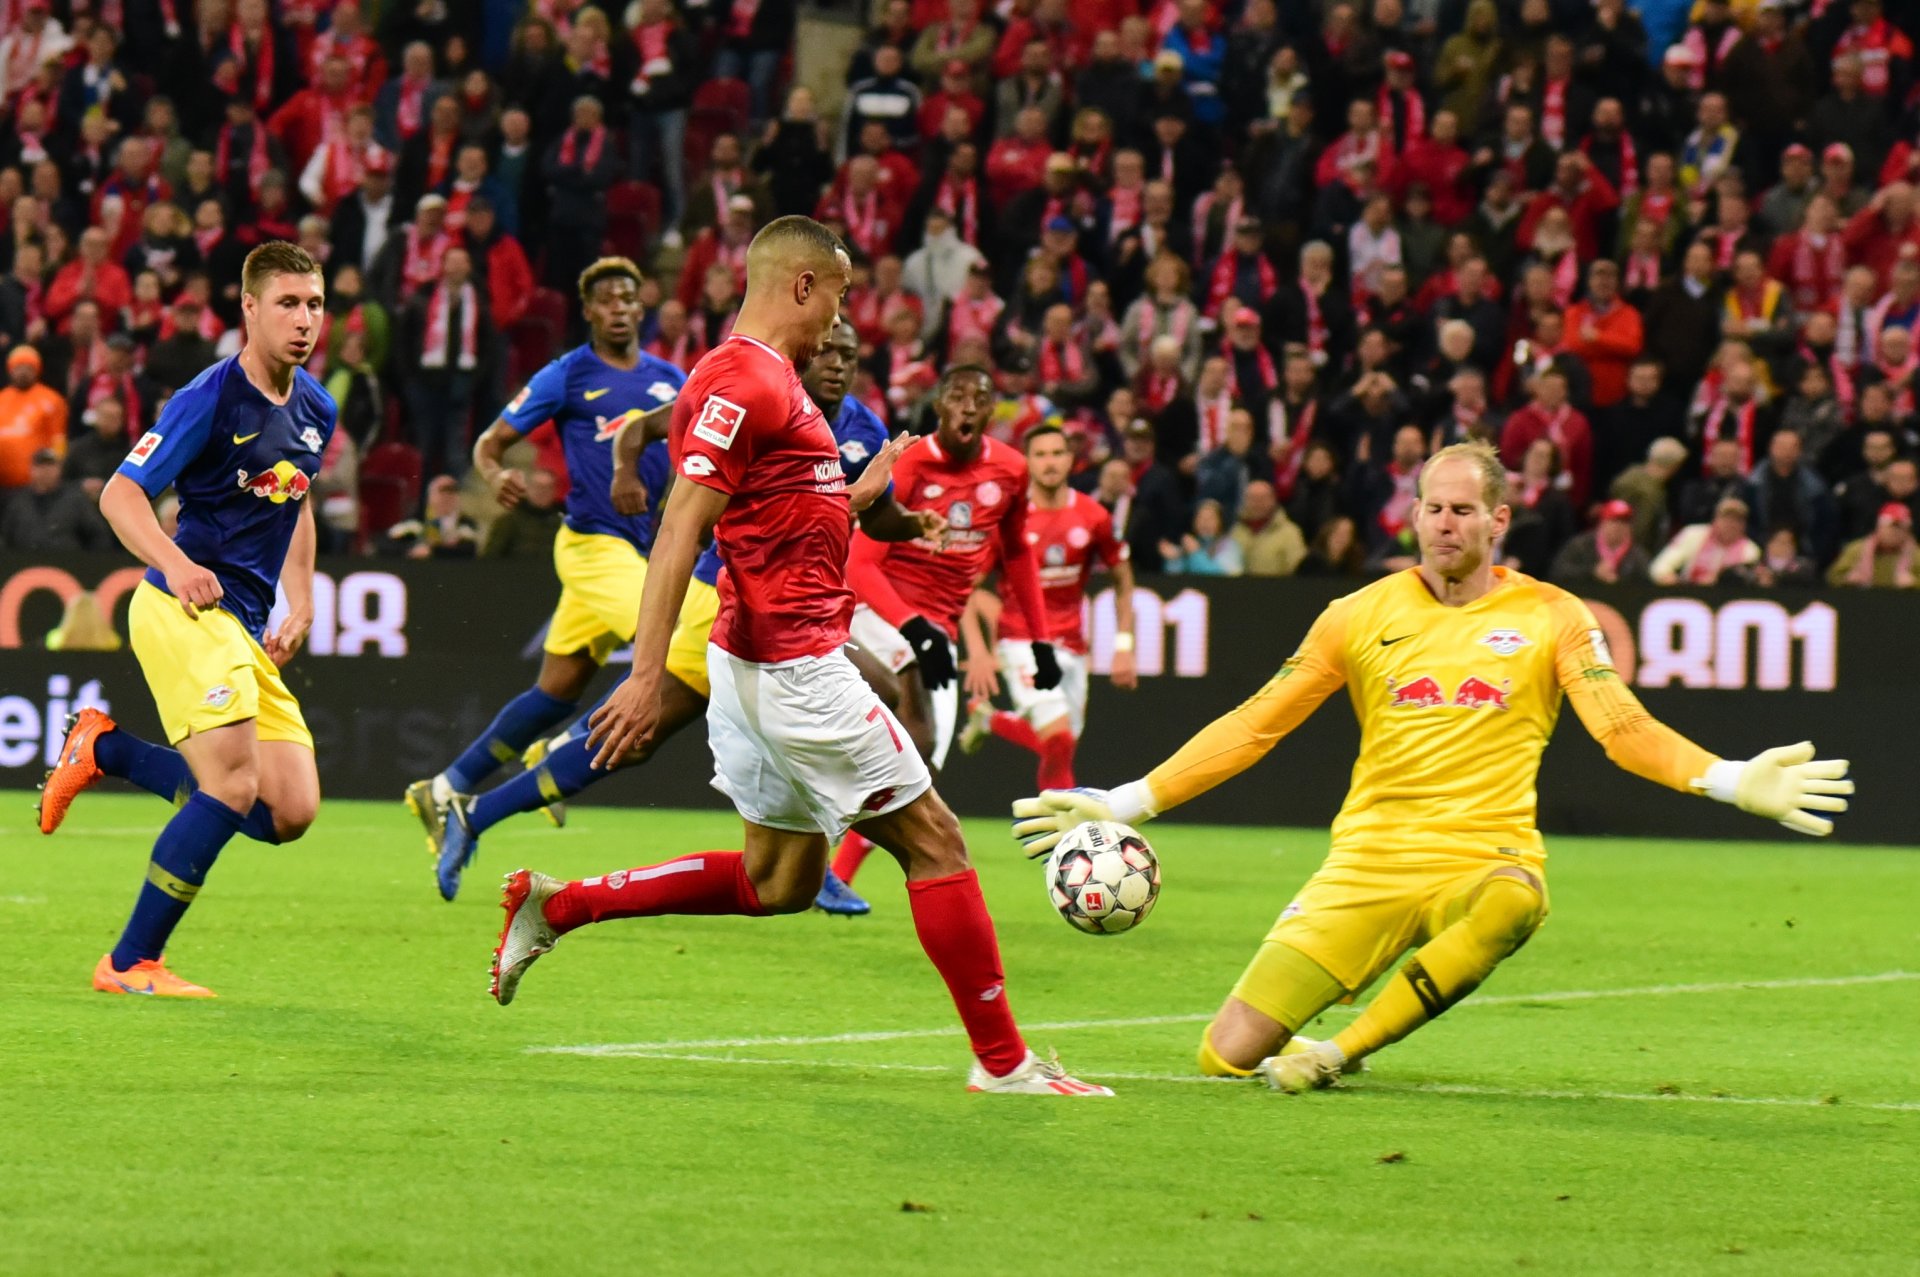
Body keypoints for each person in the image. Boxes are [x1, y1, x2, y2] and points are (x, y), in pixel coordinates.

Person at [1012, 441, 1853, 1092]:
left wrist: (1733, 778)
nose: (1445, 522)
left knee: (1517, 902)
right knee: (1224, 1055)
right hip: (1368, 860)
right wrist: (1125, 800)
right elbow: (1255, 725)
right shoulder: (1357, 613)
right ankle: (1334, 1012)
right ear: (1412, 514)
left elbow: (1621, 727)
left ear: (1498, 521)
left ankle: (1341, 1051)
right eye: (1431, 508)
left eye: (1462, 509)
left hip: (1483, 855)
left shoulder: (1552, 614)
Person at [493, 216, 1111, 1097]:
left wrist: (852, 496)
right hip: (795, 664)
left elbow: (771, 506)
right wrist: (641, 671)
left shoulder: (744, 375)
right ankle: (1005, 1064)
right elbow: (680, 525)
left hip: (755, 665)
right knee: (936, 841)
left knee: (777, 878)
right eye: (842, 296)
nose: (843, 319)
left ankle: (558, 905)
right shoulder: (749, 379)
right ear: (802, 288)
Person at [435, 318, 939, 918]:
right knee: (866, 689)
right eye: (826, 348)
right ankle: (815, 859)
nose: (834, 361)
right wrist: (628, 473)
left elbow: (871, 515)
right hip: (727, 598)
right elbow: (641, 432)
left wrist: (915, 524)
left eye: (848, 354)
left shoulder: (860, 427)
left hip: (801, 613)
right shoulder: (759, 396)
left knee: (639, 736)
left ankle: (479, 812)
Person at [37, 242, 335, 998]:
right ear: (250, 308)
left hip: (239, 623)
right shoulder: (211, 396)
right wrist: (174, 562)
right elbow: (120, 494)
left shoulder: (316, 409)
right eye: (289, 304)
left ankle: (105, 749)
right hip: (181, 606)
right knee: (232, 785)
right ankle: (130, 961)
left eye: (315, 304)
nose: (304, 321)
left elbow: (295, 502)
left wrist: (300, 599)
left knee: (287, 809)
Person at [404, 257, 687, 896]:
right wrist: (495, 472)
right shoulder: (566, 375)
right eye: (606, 299)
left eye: (627, 297)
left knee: (556, 690)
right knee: (670, 649)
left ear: (640, 307)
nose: (618, 307)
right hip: (591, 547)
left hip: (640, 550)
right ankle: (554, 753)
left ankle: (443, 789)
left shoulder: (674, 381)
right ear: (589, 312)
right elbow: (491, 442)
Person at [832, 362, 1061, 891]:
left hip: (937, 628)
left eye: (979, 398)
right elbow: (861, 565)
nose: (967, 406)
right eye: (956, 396)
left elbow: (1019, 558)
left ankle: (832, 871)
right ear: (939, 406)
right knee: (913, 726)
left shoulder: (1009, 470)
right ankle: (850, 872)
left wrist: (1042, 640)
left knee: (921, 770)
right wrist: (914, 630)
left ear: (989, 412)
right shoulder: (911, 464)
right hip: (877, 614)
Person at [959, 424, 1137, 791]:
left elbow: (1123, 580)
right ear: (1027, 463)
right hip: (1021, 640)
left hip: (1072, 644)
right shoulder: (1008, 520)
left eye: (1057, 453)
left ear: (1071, 460)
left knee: (1061, 747)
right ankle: (1058, 841)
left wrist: (1124, 647)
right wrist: (978, 650)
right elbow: (964, 589)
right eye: (1040, 455)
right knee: (1057, 739)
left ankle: (989, 719)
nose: (1050, 462)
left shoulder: (1094, 517)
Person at [0, 447, 110, 550]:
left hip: (67, 564)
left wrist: (90, 563)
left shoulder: (75, 499)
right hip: (24, 565)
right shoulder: (18, 501)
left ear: (59, 469)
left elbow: (98, 535)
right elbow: (5, 538)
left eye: (50, 465)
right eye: (40, 466)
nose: (45, 471)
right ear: (31, 470)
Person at [1651, 495, 1763, 585]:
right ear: (1715, 519)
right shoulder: (1692, 534)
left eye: (1737, 520)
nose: (1730, 525)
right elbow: (1660, 566)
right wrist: (1669, 578)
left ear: (1744, 525)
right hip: (1688, 591)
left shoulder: (1750, 550)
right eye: (1726, 518)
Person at [1550, 498, 1651, 585]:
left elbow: (1646, 583)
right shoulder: (1580, 546)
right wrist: (1592, 572)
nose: (1618, 527)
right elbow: (1559, 572)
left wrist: (1620, 583)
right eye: (1613, 521)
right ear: (1602, 522)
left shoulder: (1637, 555)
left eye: (1624, 522)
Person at [1826, 502, 1918, 587]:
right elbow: (1832, 577)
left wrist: (1914, 583)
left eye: (1900, 529)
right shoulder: (1857, 549)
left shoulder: (1916, 555)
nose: (1894, 533)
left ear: (1907, 531)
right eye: (1890, 528)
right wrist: (1848, 579)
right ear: (1879, 527)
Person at [480, 466, 564, 559]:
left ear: (554, 491)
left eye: (547, 488)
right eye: (538, 487)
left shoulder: (563, 525)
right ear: (528, 488)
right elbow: (490, 559)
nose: (542, 492)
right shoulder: (508, 522)